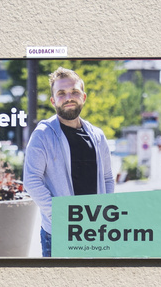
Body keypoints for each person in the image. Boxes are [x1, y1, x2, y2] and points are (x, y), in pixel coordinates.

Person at [23, 67, 115, 257]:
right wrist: (60, 217)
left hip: (96, 232)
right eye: (61, 93)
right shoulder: (43, 135)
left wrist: (107, 213)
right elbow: (31, 180)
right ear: (53, 100)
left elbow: (107, 178)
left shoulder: (97, 135)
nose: (68, 97)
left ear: (84, 97)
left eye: (74, 92)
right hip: (60, 233)